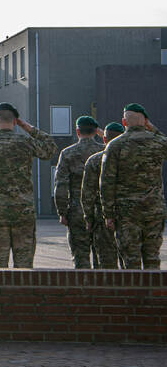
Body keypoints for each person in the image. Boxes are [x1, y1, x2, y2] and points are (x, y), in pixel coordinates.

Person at [0, 103, 57, 268]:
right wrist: (29, 128)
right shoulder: (26, 142)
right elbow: (50, 148)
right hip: (23, 213)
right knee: (24, 266)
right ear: (15, 121)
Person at [100, 103, 167, 270]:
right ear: (145, 121)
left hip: (127, 213)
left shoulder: (115, 145)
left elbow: (107, 182)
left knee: (131, 262)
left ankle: (133, 295)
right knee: (152, 258)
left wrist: (108, 213)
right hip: (154, 210)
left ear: (124, 122)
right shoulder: (158, 142)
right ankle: (153, 295)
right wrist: (154, 130)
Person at [53, 115, 104, 269]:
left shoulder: (68, 153)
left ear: (77, 131)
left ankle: (83, 290)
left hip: (77, 211)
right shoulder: (104, 152)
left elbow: (60, 185)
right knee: (103, 258)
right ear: (96, 131)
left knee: (80, 258)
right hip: (101, 210)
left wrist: (62, 212)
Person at [80, 122, 124, 269]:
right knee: (131, 266)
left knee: (105, 265)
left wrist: (88, 218)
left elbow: (87, 194)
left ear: (104, 139)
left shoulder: (94, 161)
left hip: (102, 218)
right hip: (128, 217)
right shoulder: (131, 158)